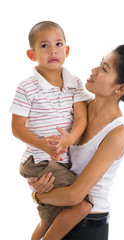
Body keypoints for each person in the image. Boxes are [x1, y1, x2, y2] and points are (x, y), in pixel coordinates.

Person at [28, 44, 124, 240]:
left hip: (87, 227)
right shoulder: (76, 108)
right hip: (55, 214)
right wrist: (38, 183)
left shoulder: (118, 134)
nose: (94, 70)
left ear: (121, 88)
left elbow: (75, 196)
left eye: (104, 68)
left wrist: (38, 196)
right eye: (99, 63)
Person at [9, 21, 93, 240]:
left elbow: (81, 117)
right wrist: (43, 144)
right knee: (82, 205)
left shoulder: (74, 82)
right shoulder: (26, 87)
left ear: (66, 51)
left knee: (49, 219)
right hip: (39, 161)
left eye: (58, 44)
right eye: (44, 46)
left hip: (62, 160)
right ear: (32, 54)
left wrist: (70, 139)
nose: (53, 50)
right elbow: (17, 128)